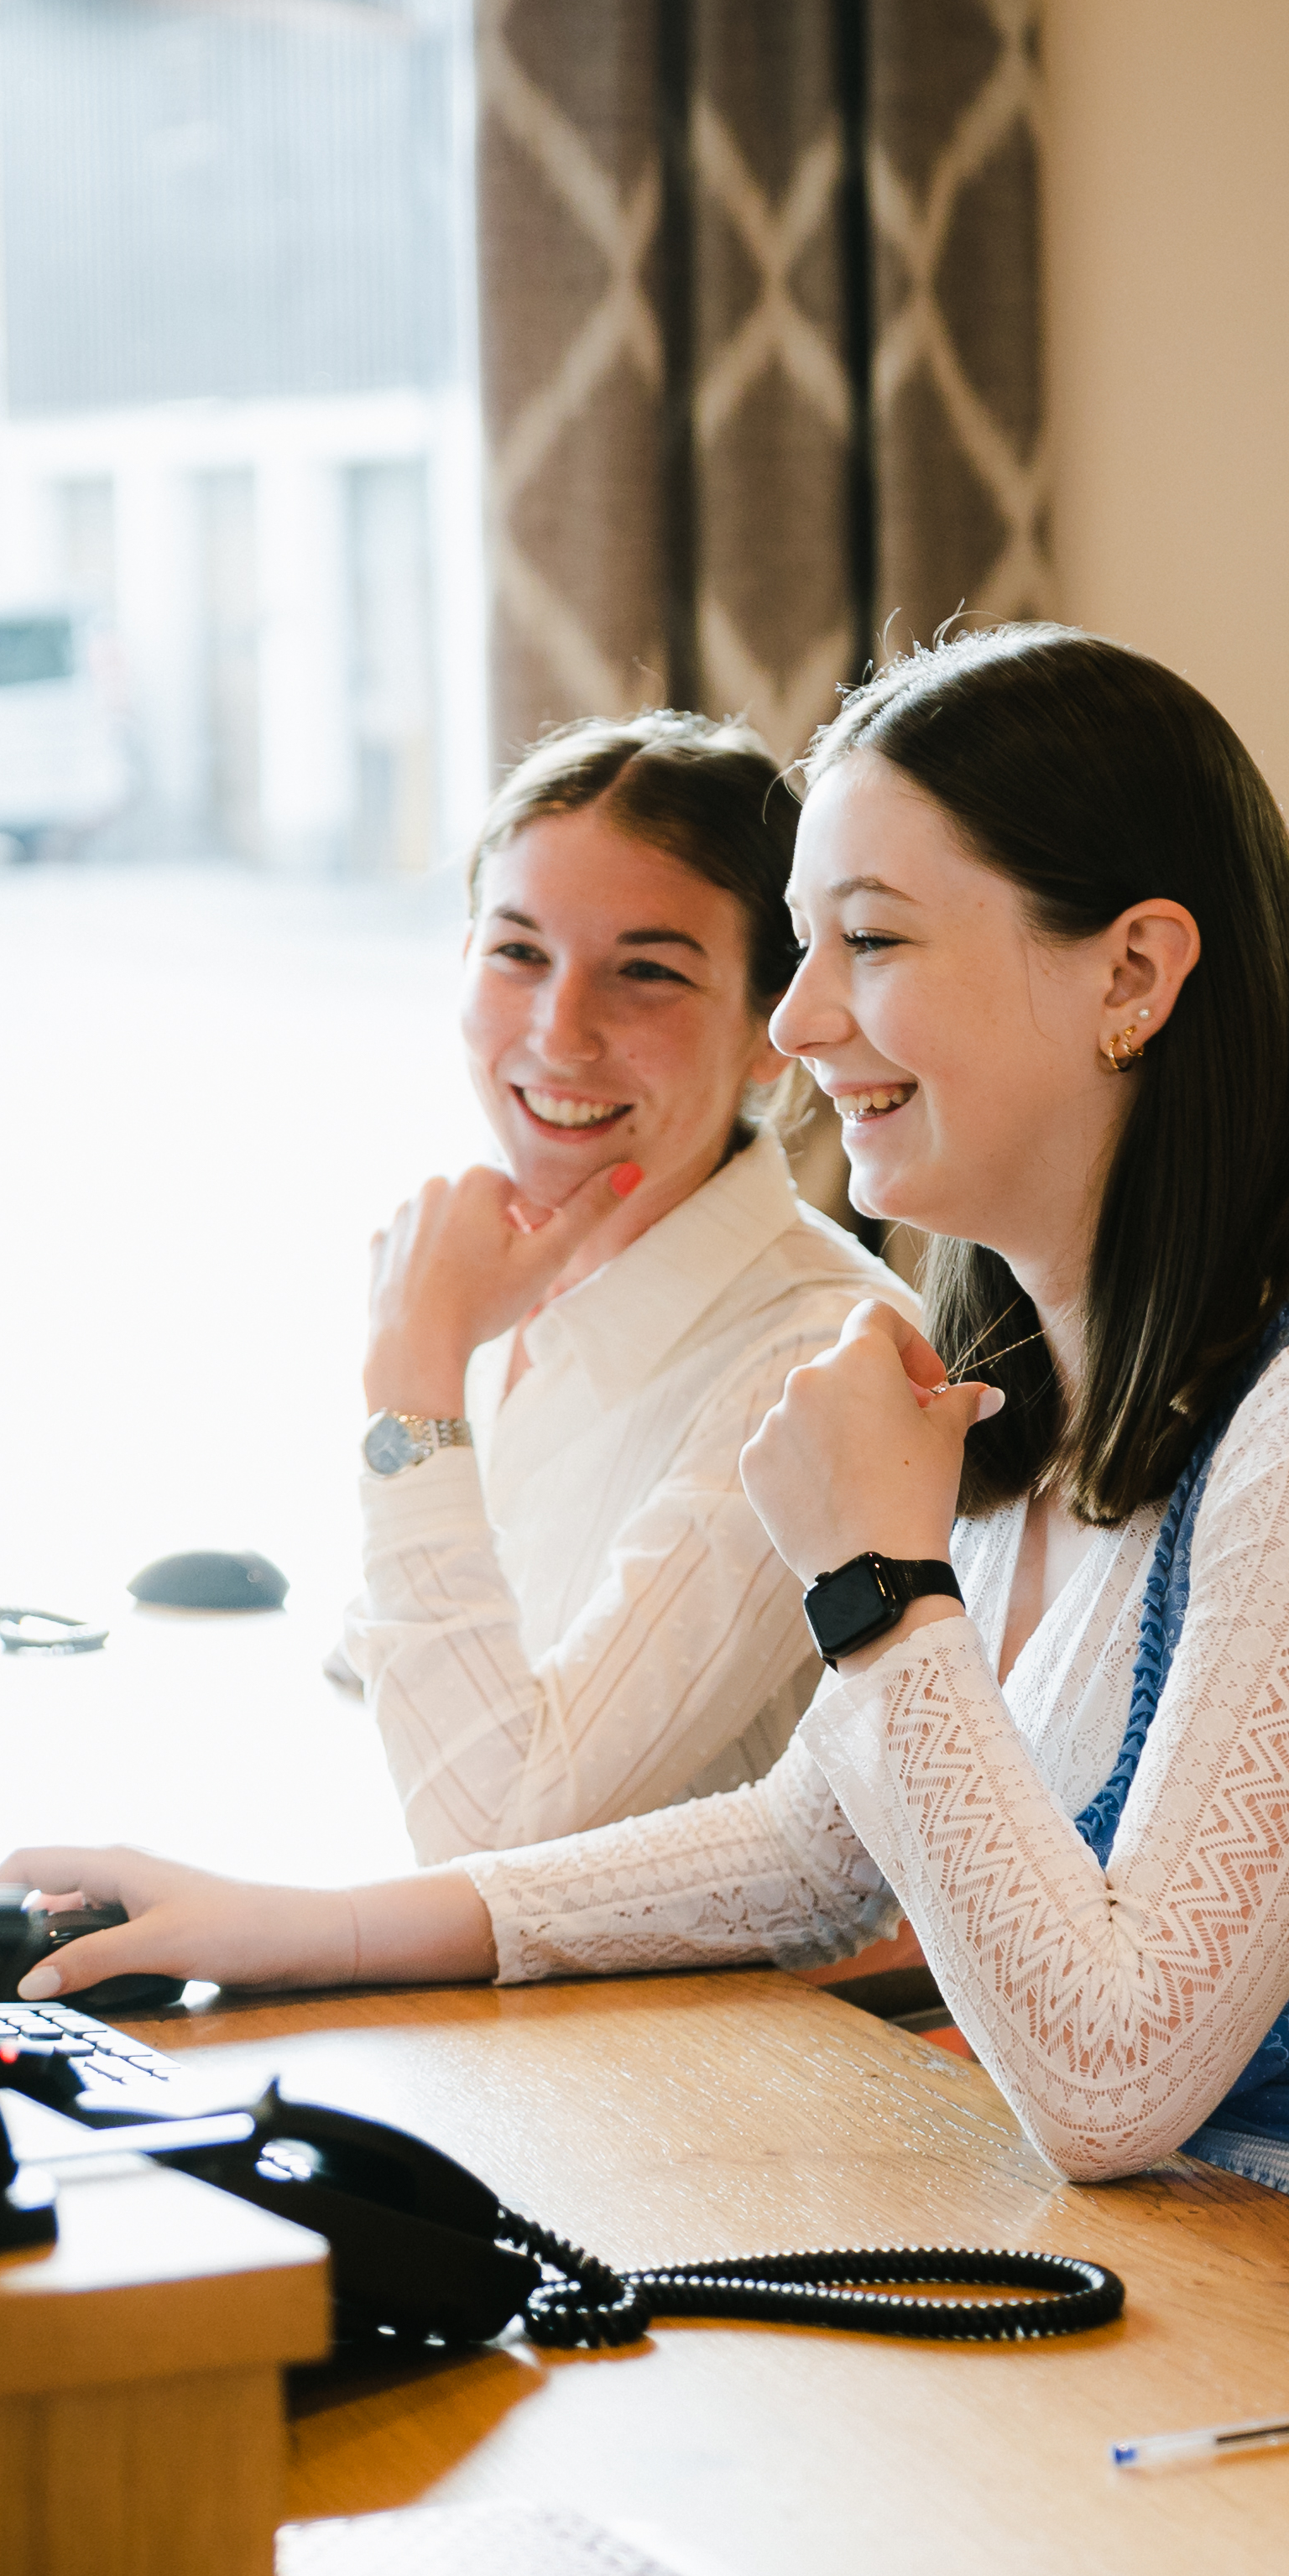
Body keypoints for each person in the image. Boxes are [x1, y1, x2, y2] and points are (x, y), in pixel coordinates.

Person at [3, 628, 1289, 2276]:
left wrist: (885, 1589)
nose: (805, 1021)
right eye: (806, 946)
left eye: (871, 942)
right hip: (1123, 2262)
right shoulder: (1030, 1362)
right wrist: (291, 1932)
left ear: (1133, 976)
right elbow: (813, 1847)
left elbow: (1116, 2085)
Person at [332, 711, 913, 1861]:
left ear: (771, 1031)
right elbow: (388, 1673)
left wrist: (413, 1381)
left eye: (645, 972)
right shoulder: (498, 1285)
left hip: (692, 2037)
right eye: (517, 952)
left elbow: (496, 1833)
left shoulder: (816, 1360)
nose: (560, 1033)